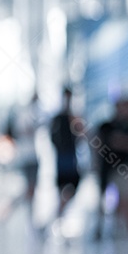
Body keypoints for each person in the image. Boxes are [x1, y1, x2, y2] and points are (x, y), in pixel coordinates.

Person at [94, 97, 128, 240]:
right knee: (108, 200)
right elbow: (98, 144)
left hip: (127, 167)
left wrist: (121, 141)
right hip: (109, 167)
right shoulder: (107, 126)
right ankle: (113, 228)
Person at [5, 94, 42, 224]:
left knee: (32, 189)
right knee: (29, 188)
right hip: (27, 157)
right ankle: (9, 207)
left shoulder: (34, 113)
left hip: (33, 156)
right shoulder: (24, 115)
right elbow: (21, 132)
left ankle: (29, 214)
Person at [50, 87, 82, 226]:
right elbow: (53, 137)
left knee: (72, 188)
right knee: (62, 189)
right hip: (62, 159)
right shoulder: (58, 118)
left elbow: (80, 135)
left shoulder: (73, 117)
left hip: (72, 158)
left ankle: (60, 213)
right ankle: (58, 218)